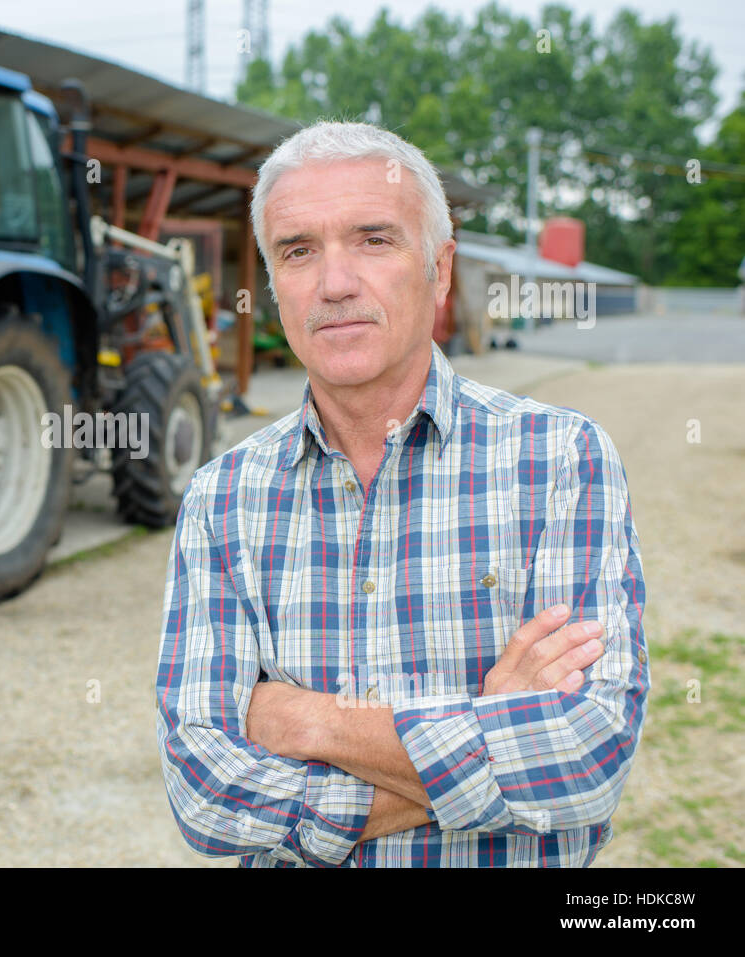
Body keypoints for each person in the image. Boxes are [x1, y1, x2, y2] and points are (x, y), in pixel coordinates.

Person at [154, 121, 649, 867]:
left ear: (439, 270)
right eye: (298, 250)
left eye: (373, 239)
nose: (334, 283)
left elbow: (585, 758)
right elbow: (205, 794)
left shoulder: (559, 461)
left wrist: (312, 724)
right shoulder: (222, 499)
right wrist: (490, 726)